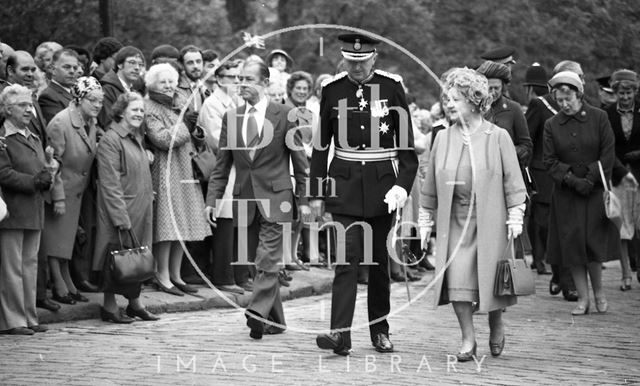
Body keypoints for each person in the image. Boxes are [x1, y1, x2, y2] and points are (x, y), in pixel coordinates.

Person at [310, 33, 418, 355]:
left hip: (382, 186)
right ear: (343, 59)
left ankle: (380, 330)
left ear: (374, 59)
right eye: (351, 61)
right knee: (346, 261)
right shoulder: (332, 90)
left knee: (379, 263)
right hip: (342, 185)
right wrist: (316, 194)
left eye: (363, 61)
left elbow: (407, 147)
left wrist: (402, 186)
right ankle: (339, 334)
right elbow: (320, 147)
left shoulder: (391, 88)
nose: (357, 67)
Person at [419, 67, 527, 360]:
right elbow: (429, 183)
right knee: (458, 280)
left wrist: (515, 214)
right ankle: (468, 339)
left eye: (455, 99)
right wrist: (425, 218)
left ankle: (496, 322)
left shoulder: (498, 136)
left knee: (493, 281)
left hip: (490, 219)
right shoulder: (441, 138)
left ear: (475, 101)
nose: (449, 104)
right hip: (455, 221)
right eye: (446, 99)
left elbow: (513, 181)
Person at [205, 60, 310, 339]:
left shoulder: (286, 114)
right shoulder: (231, 117)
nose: (242, 84)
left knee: (267, 258)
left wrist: (306, 200)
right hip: (244, 199)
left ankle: (256, 311)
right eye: (239, 79)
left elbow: (301, 164)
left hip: (278, 197)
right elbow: (222, 164)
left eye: (249, 79)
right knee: (256, 261)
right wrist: (211, 200)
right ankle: (275, 320)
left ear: (265, 82)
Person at [543, 71, 620, 315]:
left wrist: (591, 178)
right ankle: (583, 298)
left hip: (594, 192)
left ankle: (599, 293)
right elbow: (549, 161)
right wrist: (572, 180)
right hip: (567, 194)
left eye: (569, 99)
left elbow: (608, 152)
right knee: (573, 245)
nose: (564, 105)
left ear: (579, 94)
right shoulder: (551, 125)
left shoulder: (599, 117)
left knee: (592, 244)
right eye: (560, 100)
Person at [144, 63, 211, 296]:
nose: (169, 86)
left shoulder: (180, 102)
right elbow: (162, 139)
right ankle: (161, 275)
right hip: (166, 170)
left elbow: (192, 136)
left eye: (171, 81)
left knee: (182, 224)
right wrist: (185, 126)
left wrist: (196, 131)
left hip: (186, 168)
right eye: (163, 82)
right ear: (153, 84)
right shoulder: (149, 106)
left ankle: (176, 274)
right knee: (167, 226)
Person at [93, 92, 159, 323]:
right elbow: (110, 183)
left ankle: (134, 304)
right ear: (121, 111)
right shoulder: (112, 139)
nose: (140, 114)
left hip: (140, 209)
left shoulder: (134, 138)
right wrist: (120, 217)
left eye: (142, 110)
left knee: (136, 261)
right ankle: (109, 307)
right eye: (135, 110)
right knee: (115, 259)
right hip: (121, 211)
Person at [2, 51, 59, 312]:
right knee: (12, 269)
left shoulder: (33, 137)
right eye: (22, 106)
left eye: (29, 105)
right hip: (13, 211)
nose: (29, 110)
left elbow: (44, 169)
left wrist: (49, 171)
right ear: (7, 109)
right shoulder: (3, 137)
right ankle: (13, 319)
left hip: (34, 209)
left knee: (29, 266)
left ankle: (29, 316)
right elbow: (4, 173)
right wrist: (35, 181)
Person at [41, 77, 103, 306]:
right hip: (61, 190)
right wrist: (57, 197)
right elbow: (52, 164)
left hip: (77, 190)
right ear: (79, 98)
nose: (97, 105)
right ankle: (59, 284)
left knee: (66, 241)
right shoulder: (61, 122)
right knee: (56, 241)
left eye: (100, 101)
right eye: (93, 100)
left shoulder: (91, 121)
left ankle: (67, 282)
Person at [197, 59, 247, 294]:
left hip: (242, 168)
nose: (237, 82)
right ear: (218, 79)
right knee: (225, 223)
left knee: (240, 223)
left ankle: (240, 274)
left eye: (240, 78)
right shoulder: (212, 104)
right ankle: (223, 276)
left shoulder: (237, 101)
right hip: (224, 168)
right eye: (232, 78)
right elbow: (218, 140)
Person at [605, 69, 640, 291]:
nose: (625, 97)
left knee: (639, 223)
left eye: (629, 93)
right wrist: (618, 169)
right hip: (618, 177)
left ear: (635, 92)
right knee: (622, 224)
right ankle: (626, 273)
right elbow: (606, 146)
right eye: (621, 93)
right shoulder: (607, 114)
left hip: (639, 173)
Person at [476, 60, 532, 167]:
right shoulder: (475, 109)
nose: (493, 92)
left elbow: (526, 146)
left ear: (503, 87)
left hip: (506, 171)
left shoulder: (514, 108)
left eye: (496, 88)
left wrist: (507, 151)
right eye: (489, 88)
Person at [98, 46, 145, 129]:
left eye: (140, 65)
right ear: (119, 64)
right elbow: (108, 124)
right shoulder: (107, 89)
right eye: (132, 62)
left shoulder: (132, 91)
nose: (137, 68)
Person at [38, 49, 81, 123]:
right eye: (67, 67)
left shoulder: (78, 92)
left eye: (75, 68)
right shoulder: (48, 96)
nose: (72, 71)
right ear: (53, 69)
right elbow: (58, 128)